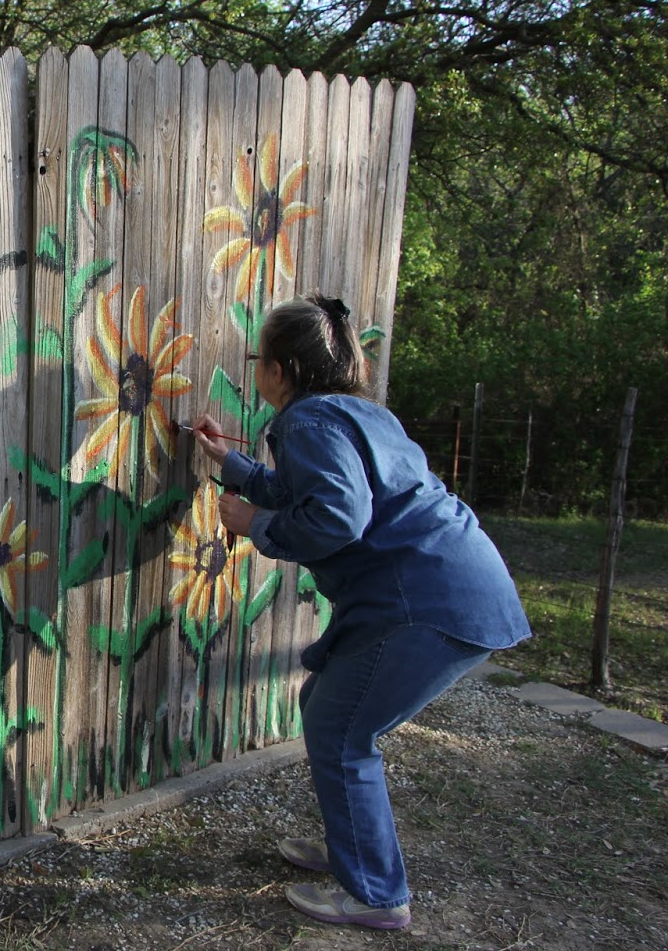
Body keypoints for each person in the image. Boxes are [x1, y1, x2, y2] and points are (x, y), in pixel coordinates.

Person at [190, 294, 530, 931]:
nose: (256, 368)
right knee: (327, 707)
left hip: (423, 601)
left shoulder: (306, 423)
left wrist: (256, 524)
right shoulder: (356, 415)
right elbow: (312, 493)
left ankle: (376, 894)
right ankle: (354, 856)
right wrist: (232, 467)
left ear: (282, 370)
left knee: (342, 733)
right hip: (452, 589)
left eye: (258, 358)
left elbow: (337, 518)